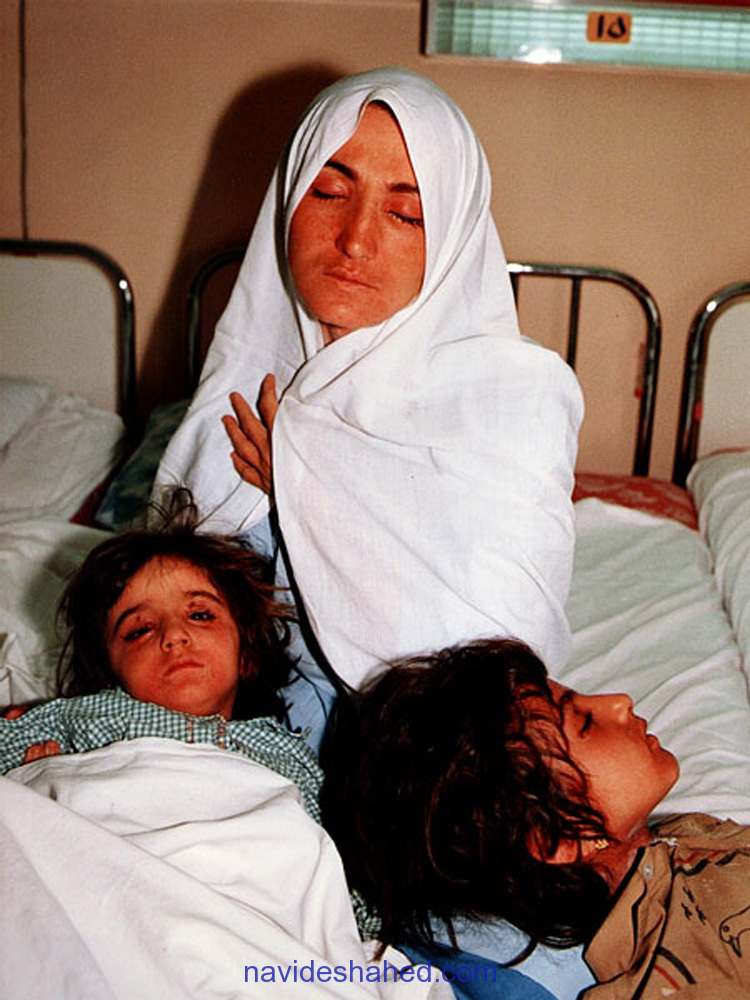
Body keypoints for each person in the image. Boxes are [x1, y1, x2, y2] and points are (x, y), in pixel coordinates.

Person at [155, 68, 584, 744]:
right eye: (328, 192)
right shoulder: (244, 388)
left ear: (452, 236)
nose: (355, 239)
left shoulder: (516, 399)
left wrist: (303, 480)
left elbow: (501, 664)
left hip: (419, 768)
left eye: (405, 213)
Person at [321, 638, 750, 999]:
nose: (620, 702)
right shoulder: (674, 966)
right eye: (585, 723)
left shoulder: (684, 839)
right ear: (557, 837)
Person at [0, 491, 321, 813]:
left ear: (246, 656)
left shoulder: (283, 751)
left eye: (200, 615)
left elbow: (309, 834)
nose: (174, 635)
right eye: (140, 631)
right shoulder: (88, 719)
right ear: (109, 675)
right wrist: (37, 776)